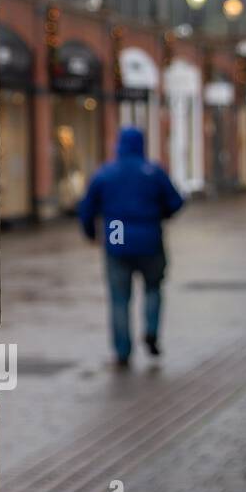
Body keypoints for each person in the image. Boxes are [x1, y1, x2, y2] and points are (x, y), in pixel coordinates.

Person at [78, 127, 184, 367]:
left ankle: (123, 351)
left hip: (117, 238)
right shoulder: (153, 172)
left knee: (119, 298)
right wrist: (160, 214)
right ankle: (151, 331)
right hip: (150, 239)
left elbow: (86, 208)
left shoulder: (106, 173)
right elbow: (176, 202)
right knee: (153, 288)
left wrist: (90, 233)